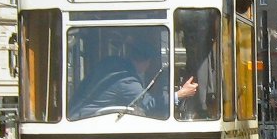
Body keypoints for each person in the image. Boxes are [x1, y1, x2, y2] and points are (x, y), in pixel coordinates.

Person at [69, 43, 198, 119]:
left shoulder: (113, 63)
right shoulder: (126, 80)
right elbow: (149, 104)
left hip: (76, 114)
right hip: (86, 120)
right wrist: (180, 94)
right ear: (146, 62)